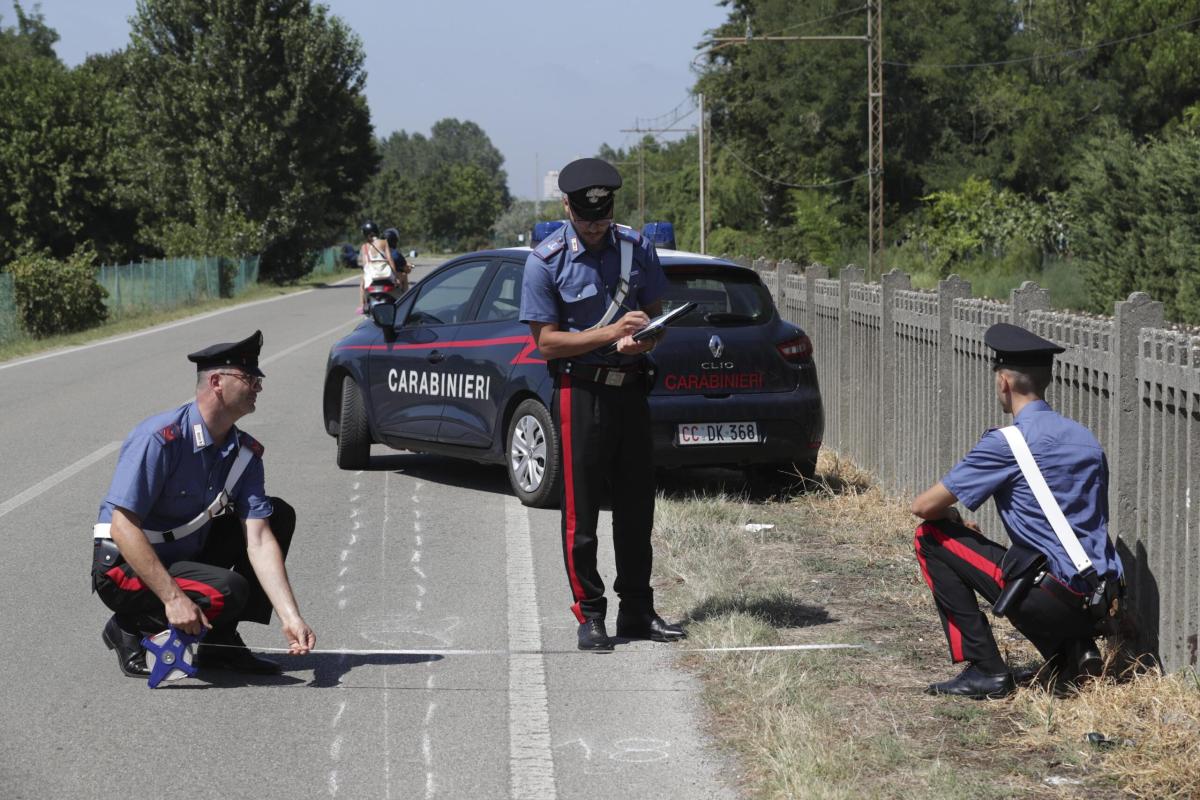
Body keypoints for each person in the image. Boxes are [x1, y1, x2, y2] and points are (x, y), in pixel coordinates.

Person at [519, 157, 685, 651]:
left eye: (602, 217)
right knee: (582, 512)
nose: (595, 227)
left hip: (631, 389)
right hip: (579, 392)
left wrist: (645, 341)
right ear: (566, 206)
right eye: (586, 218)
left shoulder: (637, 248)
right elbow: (546, 343)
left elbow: (655, 318)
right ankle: (590, 614)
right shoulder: (545, 261)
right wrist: (610, 333)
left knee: (637, 509)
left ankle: (637, 609)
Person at [910, 323, 1124, 698]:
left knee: (930, 537)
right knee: (1032, 561)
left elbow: (924, 507)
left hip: (1051, 598)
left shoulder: (1008, 442)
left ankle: (986, 668)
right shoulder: (1085, 438)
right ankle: (1072, 650)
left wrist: (955, 520)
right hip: (1099, 601)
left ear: (1004, 383)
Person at [92, 330, 315, 678]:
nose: (258, 386)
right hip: (125, 567)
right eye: (250, 378)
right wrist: (173, 598)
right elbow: (123, 527)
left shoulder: (245, 454)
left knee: (278, 515)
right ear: (216, 382)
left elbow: (257, 540)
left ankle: (219, 643)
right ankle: (128, 624)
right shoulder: (162, 439)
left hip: (182, 558)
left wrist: (291, 616)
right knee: (229, 590)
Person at [358, 220, 400, 312]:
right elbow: (390, 260)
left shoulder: (364, 247)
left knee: (362, 284)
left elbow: (365, 265)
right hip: (386, 276)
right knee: (398, 290)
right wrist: (396, 277)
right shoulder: (384, 242)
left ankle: (363, 306)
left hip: (371, 278)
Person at [384, 227, 413, 294]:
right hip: (391, 280)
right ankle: (405, 297)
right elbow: (407, 270)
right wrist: (410, 266)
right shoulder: (396, 254)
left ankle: (362, 302)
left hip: (377, 278)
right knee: (404, 275)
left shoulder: (379, 252)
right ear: (395, 240)